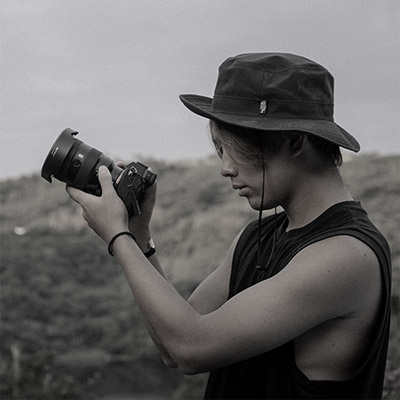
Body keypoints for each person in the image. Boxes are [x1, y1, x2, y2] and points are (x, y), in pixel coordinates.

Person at [67, 53, 391, 399]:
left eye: (234, 147)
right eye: (220, 150)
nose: (225, 168)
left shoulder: (346, 256)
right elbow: (171, 342)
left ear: (294, 140)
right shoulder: (256, 236)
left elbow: (190, 348)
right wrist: (138, 234)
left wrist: (118, 236)